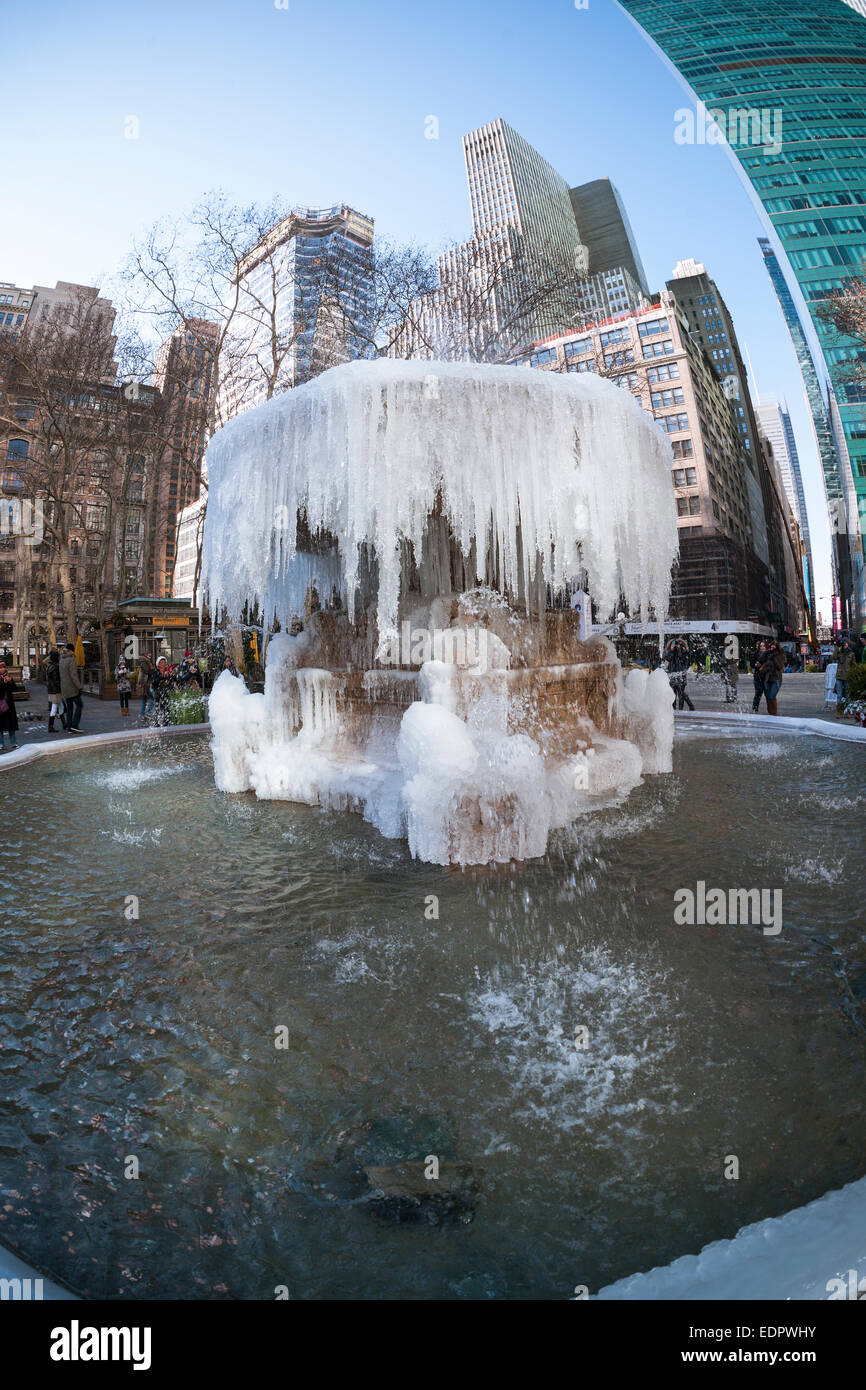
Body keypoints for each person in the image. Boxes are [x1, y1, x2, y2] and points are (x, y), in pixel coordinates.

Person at [59, 643, 84, 732]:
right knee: (80, 705)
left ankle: (69, 727)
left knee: (69, 708)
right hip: (72, 688)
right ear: (70, 651)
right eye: (72, 651)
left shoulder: (61, 660)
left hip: (64, 688)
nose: (73, 652)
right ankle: (75, 725)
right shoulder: (71, 659)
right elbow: (74, 675)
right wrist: (79, 687)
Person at [665, 638, 694, 711]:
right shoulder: (669, 652)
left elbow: (687, 661)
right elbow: (667, 661)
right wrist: (671, 650)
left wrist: (685, 650)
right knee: (673, 693)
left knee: (681, 693)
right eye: (675, 644)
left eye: (678, 644)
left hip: (681, 675)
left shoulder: (683, 652)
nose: (676, 646)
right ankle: (674, 709)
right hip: (672, 675)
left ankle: (681, 710)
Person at [0, 659, 21, 753]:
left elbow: (15, 689)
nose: (3, 669)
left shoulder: (8, 676)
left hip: (9, 704)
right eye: (1, 667)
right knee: (0, 726)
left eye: (4, 667)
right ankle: (1, 744)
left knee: (11, 724)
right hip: (0, 705)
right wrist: (4, 684)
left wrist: (10, 681)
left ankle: (14, 742)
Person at [761, 639, 786, 717]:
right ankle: (771, 712)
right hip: (767, 678)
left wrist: (774, 658)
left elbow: (779, 666)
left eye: (773, 648)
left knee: (772, 696)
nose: (772, 649)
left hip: (776, 678)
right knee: (768, 696)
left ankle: (774, 713)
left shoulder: (780, 655)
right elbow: (761, 659)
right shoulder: (768, 655)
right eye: (771, 647)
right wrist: (766, 652)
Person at [44, 649, 65, 732]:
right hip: (56, 690)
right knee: (55, 707)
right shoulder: (56, 666)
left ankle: (64, 724)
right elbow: (56, 680)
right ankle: (50, 727)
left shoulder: (50, 666)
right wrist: (61, 687)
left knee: (60, 706)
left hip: (51, 689)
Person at [835, 639, 856, 718]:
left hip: (848, 676)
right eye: (844, 644)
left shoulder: (851, 654)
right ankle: (839, 712)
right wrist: (837, 647)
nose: (845, 645)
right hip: (839, 676)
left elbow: (853, 664)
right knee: (839, 695)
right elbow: (834, 657)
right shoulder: (839, 653)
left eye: (846, 643)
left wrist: (853, 673)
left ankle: (848, 711)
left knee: (848, 695)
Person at [150, 656, 172, 726]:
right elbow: (154, 681)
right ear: (158, 664)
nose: (163, 664)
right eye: (161, 662)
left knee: (167, 707)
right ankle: (156, 722)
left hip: (166, 691)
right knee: (158, 708)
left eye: (164, 662)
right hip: (158, 692)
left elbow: (172, 680)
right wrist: (163, 677)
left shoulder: (168, 671)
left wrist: (169, 678)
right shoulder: (155, 671)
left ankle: (167, 722)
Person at [137, 654, 155, 721]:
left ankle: (142, 715)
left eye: (150, 655)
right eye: (148, 655)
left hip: (145, 683)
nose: (150, 656)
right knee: (154, 698)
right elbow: (147, 671)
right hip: (145, 683)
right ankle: (148, 712)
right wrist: (153, 670)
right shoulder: (144, 662)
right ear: (145, 656)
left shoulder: (146, 661)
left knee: (144, 700)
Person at [751, 641, 768, 712]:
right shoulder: (756, 653)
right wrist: (755, 665)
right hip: (758, 677)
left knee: (769, 696)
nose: (762, 647)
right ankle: (755, 708)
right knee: (757, 694)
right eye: (761, 646)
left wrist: (763, 665)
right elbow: (751, 663)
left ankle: (771, 710)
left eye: (763, 646)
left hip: (767, 678)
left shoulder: (769, 654)